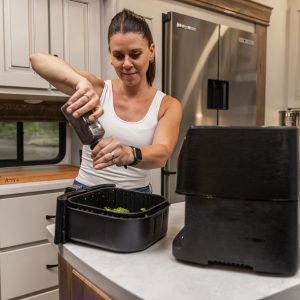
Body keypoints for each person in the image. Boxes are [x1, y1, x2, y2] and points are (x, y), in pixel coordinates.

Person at [30, 9, 182, 193]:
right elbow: (37, 60)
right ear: (111, 57)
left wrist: (130, 153)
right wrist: (80, 82)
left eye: (135, 54)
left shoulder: (168, 105)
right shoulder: (99, 89)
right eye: (118, 56)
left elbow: (162, 153)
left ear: (151, 52)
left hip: (135, 195)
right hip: (85, 191)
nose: (126, 64)